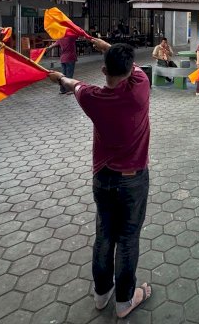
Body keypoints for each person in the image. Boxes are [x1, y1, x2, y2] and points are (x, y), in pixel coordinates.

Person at [49, 41, 152, 317]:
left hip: (103, 178)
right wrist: (106, 45)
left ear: (104, 70)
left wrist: (58, 77)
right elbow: (132, 66)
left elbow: (73, 83)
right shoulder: (141, 86)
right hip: (133, 179)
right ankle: (124, 301)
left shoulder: (92, 98)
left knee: (104, 235)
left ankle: (102, 293)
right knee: (128, 239)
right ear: (129, 70)